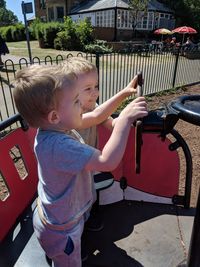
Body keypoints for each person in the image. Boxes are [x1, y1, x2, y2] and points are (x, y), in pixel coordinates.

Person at [13, 64, 148, 267]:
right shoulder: (59, 145)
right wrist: (124, 120)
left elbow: (96, 115)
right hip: (63, 231)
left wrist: (124, 94)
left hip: (59, 217)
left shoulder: (56, 128)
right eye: (76, 101)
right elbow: (107, 161)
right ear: (54, 116)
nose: (82, 106)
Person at [60, 57, 140, 231]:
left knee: (89, 194)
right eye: (88, 89)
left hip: (87, 165)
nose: (95, 92)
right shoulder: (68, 118)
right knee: (73, 202)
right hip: (71, 171)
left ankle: (87, 217)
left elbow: (109, 123)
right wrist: (125, 96)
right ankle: (73, 234)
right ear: (68, 93)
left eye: (96, 86)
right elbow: (96, 116)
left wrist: (127, 119)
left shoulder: (92, 106)